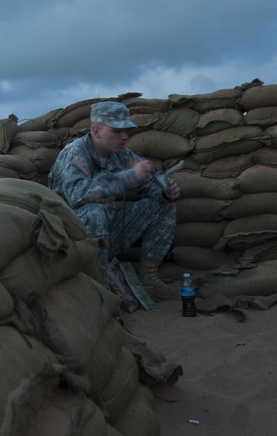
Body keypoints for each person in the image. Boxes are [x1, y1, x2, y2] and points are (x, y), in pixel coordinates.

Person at [48, 100, 180, 298]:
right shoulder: (76, 154)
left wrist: (164, 191)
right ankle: (98, 287)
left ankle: (149, 279)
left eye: (126, 131)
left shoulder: (121, 155)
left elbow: (147, 183)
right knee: (94, 210)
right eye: (117, 131)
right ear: (96, 130)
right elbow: (78, 194)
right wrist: (129, 176)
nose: (125, 136)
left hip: (107, 236)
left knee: (163, 205)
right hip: (73, 244)